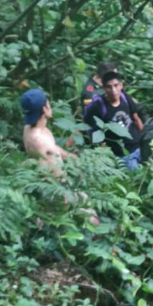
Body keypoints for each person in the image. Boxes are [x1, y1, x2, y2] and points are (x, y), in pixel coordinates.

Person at [20, 88, 99, 225]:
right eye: (49, 104)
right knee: (94, 223)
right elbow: (46, 166)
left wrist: (73, 157)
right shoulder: (39, 141)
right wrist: (66, 199)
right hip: (57, 191)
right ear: (45, 109)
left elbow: (54, 150)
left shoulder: (31, 129)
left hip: (62, 187)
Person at [83, 71, 144, 170]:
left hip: (138, 146)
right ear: (103, 88)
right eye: (109, 87)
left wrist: (144, 140)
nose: (113, 90)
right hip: (122, 155)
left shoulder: (125, 98)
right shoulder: (98, 106)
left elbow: (137, 119)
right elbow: (95, 134)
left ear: (121, 85)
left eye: (116, 85)